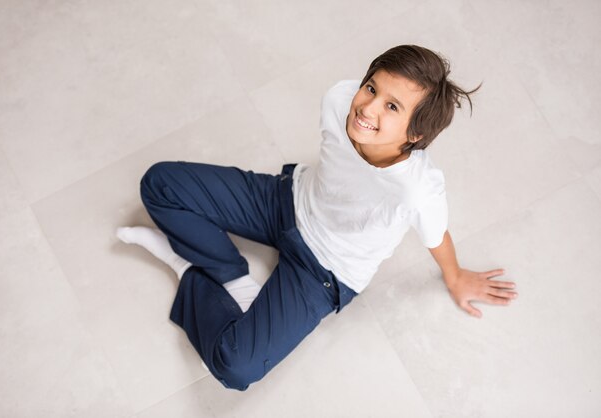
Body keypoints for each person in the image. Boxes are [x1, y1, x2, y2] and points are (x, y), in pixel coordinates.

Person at [116, 45, 518, 391]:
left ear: (414, 134)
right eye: (372, 88)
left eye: (391, 107)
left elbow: (437, 237)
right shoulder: (340, 99)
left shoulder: (416, 188)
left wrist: (455, 276)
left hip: (325, 270)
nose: (367, 108)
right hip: (287, 201)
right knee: (160, 184)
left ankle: (184, 266)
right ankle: (231, 277)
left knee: (234, 366)